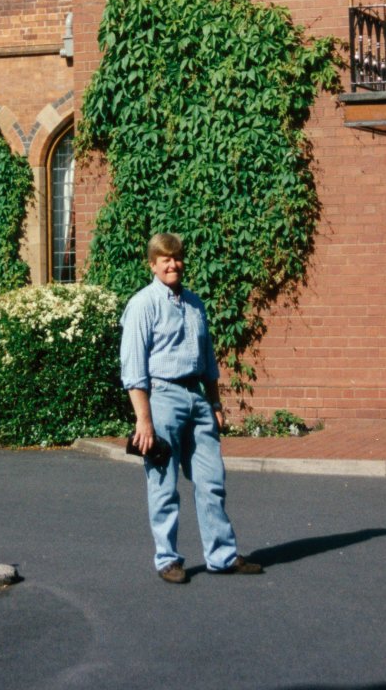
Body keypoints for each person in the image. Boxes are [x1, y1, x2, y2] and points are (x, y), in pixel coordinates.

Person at [120, 231, 263, 583]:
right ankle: (168, 560)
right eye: (164, 259)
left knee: (212, 480)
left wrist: (214, 400)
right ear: (152, 265)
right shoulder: (142, 304)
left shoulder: (195, 304)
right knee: (163, 484)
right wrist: (144, 420)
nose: (173, 264)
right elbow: (134, 368)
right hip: (163, 398)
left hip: (197, 398)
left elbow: (208, 359)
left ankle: (222, 555)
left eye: (177, 257)